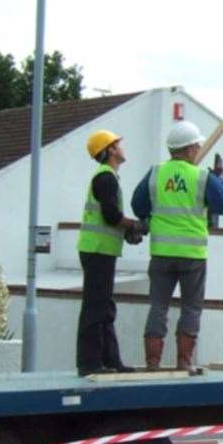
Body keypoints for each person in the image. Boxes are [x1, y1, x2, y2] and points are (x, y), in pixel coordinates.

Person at [131, 121, 223, 373]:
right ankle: (184, 362)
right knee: (191, 307)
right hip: (192, 255)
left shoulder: (155, 173)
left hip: (161, 255)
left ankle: (153, 363)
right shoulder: (201, 176)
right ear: (190, 149)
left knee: (158, 306)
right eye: (197, 145)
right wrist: (222, 178)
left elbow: (138, 206)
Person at [76, 129, 147, 376]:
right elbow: (111, 215)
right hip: (97, 251)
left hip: (99, 250)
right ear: (109, 151)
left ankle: (111, 361)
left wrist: (127, 232)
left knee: (104, 307)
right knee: (96, 307)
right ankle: (89, 364)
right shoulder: (106, 178)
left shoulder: (108, 178)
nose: (121, 146)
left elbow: (110, 218)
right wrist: (134, 226)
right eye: (117, 143)